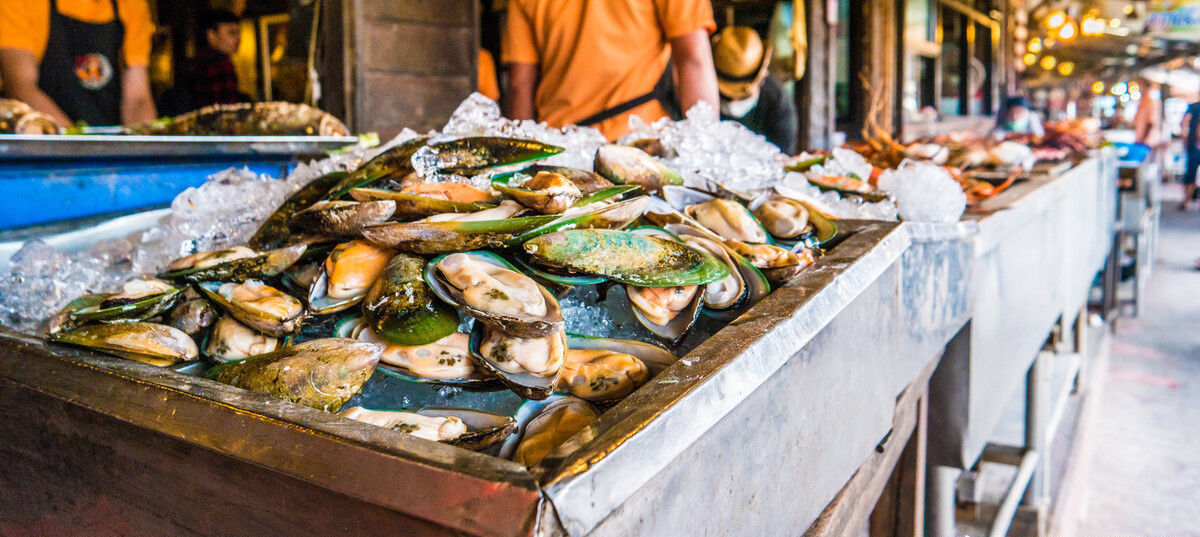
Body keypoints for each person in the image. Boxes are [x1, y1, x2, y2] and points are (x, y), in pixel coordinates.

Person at [502, 0, 719, 141]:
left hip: (563, 147)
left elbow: (519, 86)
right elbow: (693, 58)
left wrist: (525, 161)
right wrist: (706, 149)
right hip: (643, 145)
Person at [0, 0, 156, 127]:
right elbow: (21, 86)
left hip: (108, 151)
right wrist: (77, 144)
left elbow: (138, 98)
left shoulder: (131, 4)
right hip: (46, 149)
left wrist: (147, 151)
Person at [712, 26, 797, 153]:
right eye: (727, 96)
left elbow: (784, 157)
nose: (734, 100)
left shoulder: (777, 101)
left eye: (742, 95)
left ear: (763, 75)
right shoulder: (696, 96)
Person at [184, 9, 247, 109]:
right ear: (211, 35)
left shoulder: (197, 62)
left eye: (238, 32)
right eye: (232, 33)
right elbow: (227, 109)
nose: (238, 38)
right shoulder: (220, 64)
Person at [1180, 99, 1200, 211]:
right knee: (1190, 173)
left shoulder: (1194, 106)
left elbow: (1184, 122)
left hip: (1194, 145)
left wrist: (1185, 137)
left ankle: (1186, 200)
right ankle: (1186, 200)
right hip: (1194, 145)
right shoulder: (1194, 106)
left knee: (1190, 173)